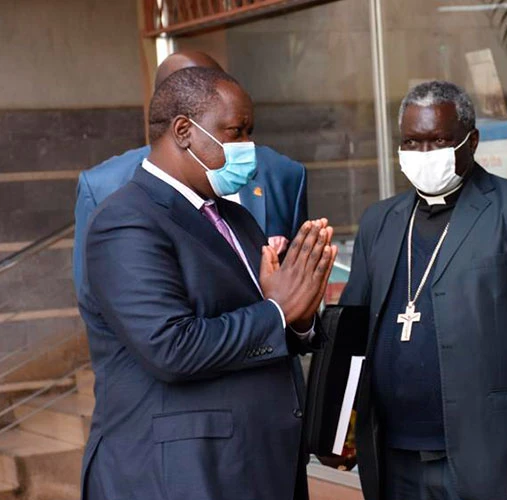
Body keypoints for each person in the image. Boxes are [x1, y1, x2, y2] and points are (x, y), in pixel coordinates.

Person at [79, 67, 336, 500]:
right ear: (183, 131)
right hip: (182, 474)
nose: (248, 147)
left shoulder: (233, 216)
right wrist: (277, 313)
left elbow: (270, 323)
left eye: (250, 132)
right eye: (235, 132)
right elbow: (170, 347)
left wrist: (300, 318)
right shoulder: (127, 220)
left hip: (258, 465)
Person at [339, 81, 507, 500]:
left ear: (471, 141)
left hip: (489, 458)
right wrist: (337, 427)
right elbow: (351, 336)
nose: (424, 153)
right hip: (392, 457)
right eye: (412, 141)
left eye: (439, 140)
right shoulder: (380, 221)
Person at [72, 50, 309, 300]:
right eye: (192, 87)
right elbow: (95, 298)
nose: (246, 145)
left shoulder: (281, 173)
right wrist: (275, 314)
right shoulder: (103, 187)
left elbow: (297, 284)